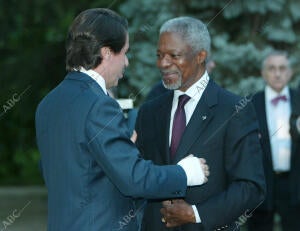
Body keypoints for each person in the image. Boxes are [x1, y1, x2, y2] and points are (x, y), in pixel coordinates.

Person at [35, 9, 210, 231]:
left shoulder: (48, 103)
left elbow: (73, 169)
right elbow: (133, 179)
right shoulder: (99, 104)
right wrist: (185, 173)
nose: (126, 62)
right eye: (124, 52)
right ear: (107, 53)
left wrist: (123, 149)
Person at [135, 17, 266, 231]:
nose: (163, 63)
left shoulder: (234, 109)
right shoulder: (149, 111)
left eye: (173, 56)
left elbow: (251, 187)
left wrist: (196, 214)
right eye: (159, 55)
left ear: (200, 56)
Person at [247, 51, 300, 231]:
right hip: (262, 186)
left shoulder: (299, 100)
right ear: (263, 73)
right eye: (272, 68)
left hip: (295, 184)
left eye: (282, 68)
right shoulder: (250, 104)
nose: (277, 73)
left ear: (290, 72)